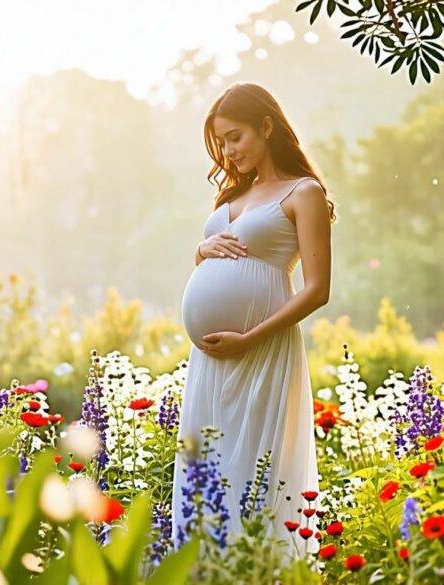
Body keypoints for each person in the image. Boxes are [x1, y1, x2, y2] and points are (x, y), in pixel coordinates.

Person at [173, 81, 336, 552]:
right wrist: (201, 249)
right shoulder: (231, 196)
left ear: (266, 126)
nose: (228, 151)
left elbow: (318, 289)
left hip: (261, 350)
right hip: (209, 360)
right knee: (206, 471)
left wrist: (250, 338)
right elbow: (213, 257)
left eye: (235, 137)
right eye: (220, 142)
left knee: (253, 471)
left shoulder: (304, 192)